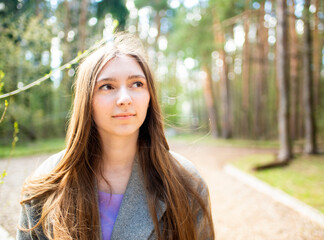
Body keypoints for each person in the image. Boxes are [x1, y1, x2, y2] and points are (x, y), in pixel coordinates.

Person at [17, 32, 214, 240]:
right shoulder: (45, 183)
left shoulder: (187, 183)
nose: (124, 99)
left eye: (137, 84)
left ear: (150, 97)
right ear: (87, 101)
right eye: (107, 87)